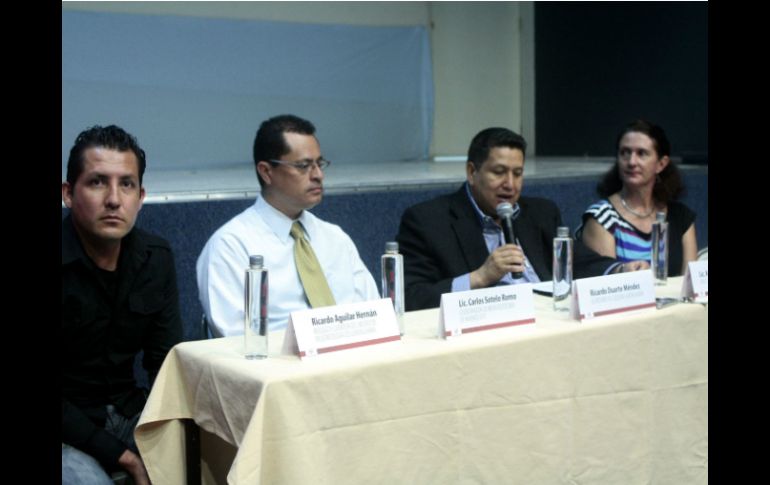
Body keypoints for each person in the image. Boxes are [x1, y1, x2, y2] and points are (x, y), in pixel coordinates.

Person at [396, 127, 647, 311]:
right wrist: (480, 277)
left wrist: (620, 269)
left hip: (548, 322)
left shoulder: (540, 213)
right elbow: (410, 296)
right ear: (472, 172)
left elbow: (577, 261)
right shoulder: (428, 221)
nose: (510, 185)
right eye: (499, 172)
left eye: (517, 174)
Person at [62, 125, 183, 484]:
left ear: (140, 196)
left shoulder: (154, 258)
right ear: (69, 193)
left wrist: (174, 436)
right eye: (98, 182)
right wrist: (126, 458)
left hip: (132, 412)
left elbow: (168, 364)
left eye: (126, 184)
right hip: (69, 426)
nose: (114, 199)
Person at [197, 114, 379, 336]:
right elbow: (235, 340)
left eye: (319, 164)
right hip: (277, 368)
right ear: (266, 171)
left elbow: (373, 316)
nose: (318, 175)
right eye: (303, 166)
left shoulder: (335, 238)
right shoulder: (230, 246)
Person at [576, 120, 697, 276]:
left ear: (661, 164)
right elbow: (606, 289)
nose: (631, 162)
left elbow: (691, 286)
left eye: (641, 153)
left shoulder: (681, 217)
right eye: (625, 153)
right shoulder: (602, 218)